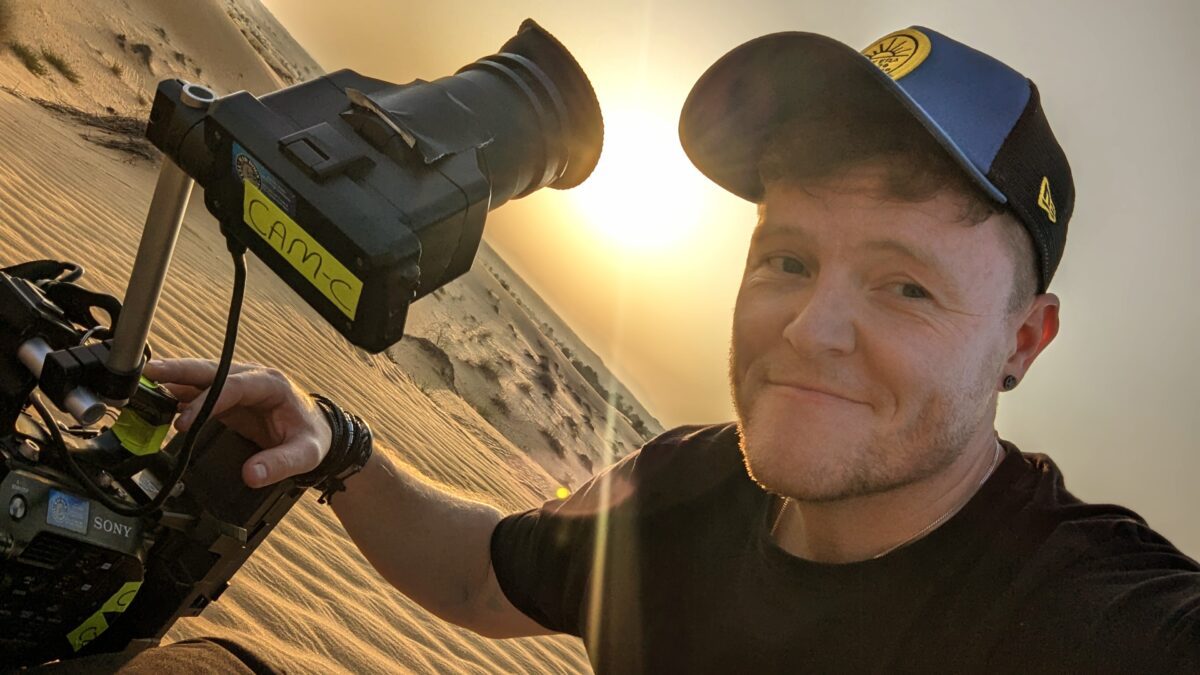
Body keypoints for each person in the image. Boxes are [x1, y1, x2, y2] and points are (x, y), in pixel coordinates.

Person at [127, 26, 1197, 673]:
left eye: (906, 285)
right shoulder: (689, 485)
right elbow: (481, 580)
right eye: (785, 260)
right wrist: (341, 452)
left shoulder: (1084, 617)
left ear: (1024, 341)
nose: (809, 330)